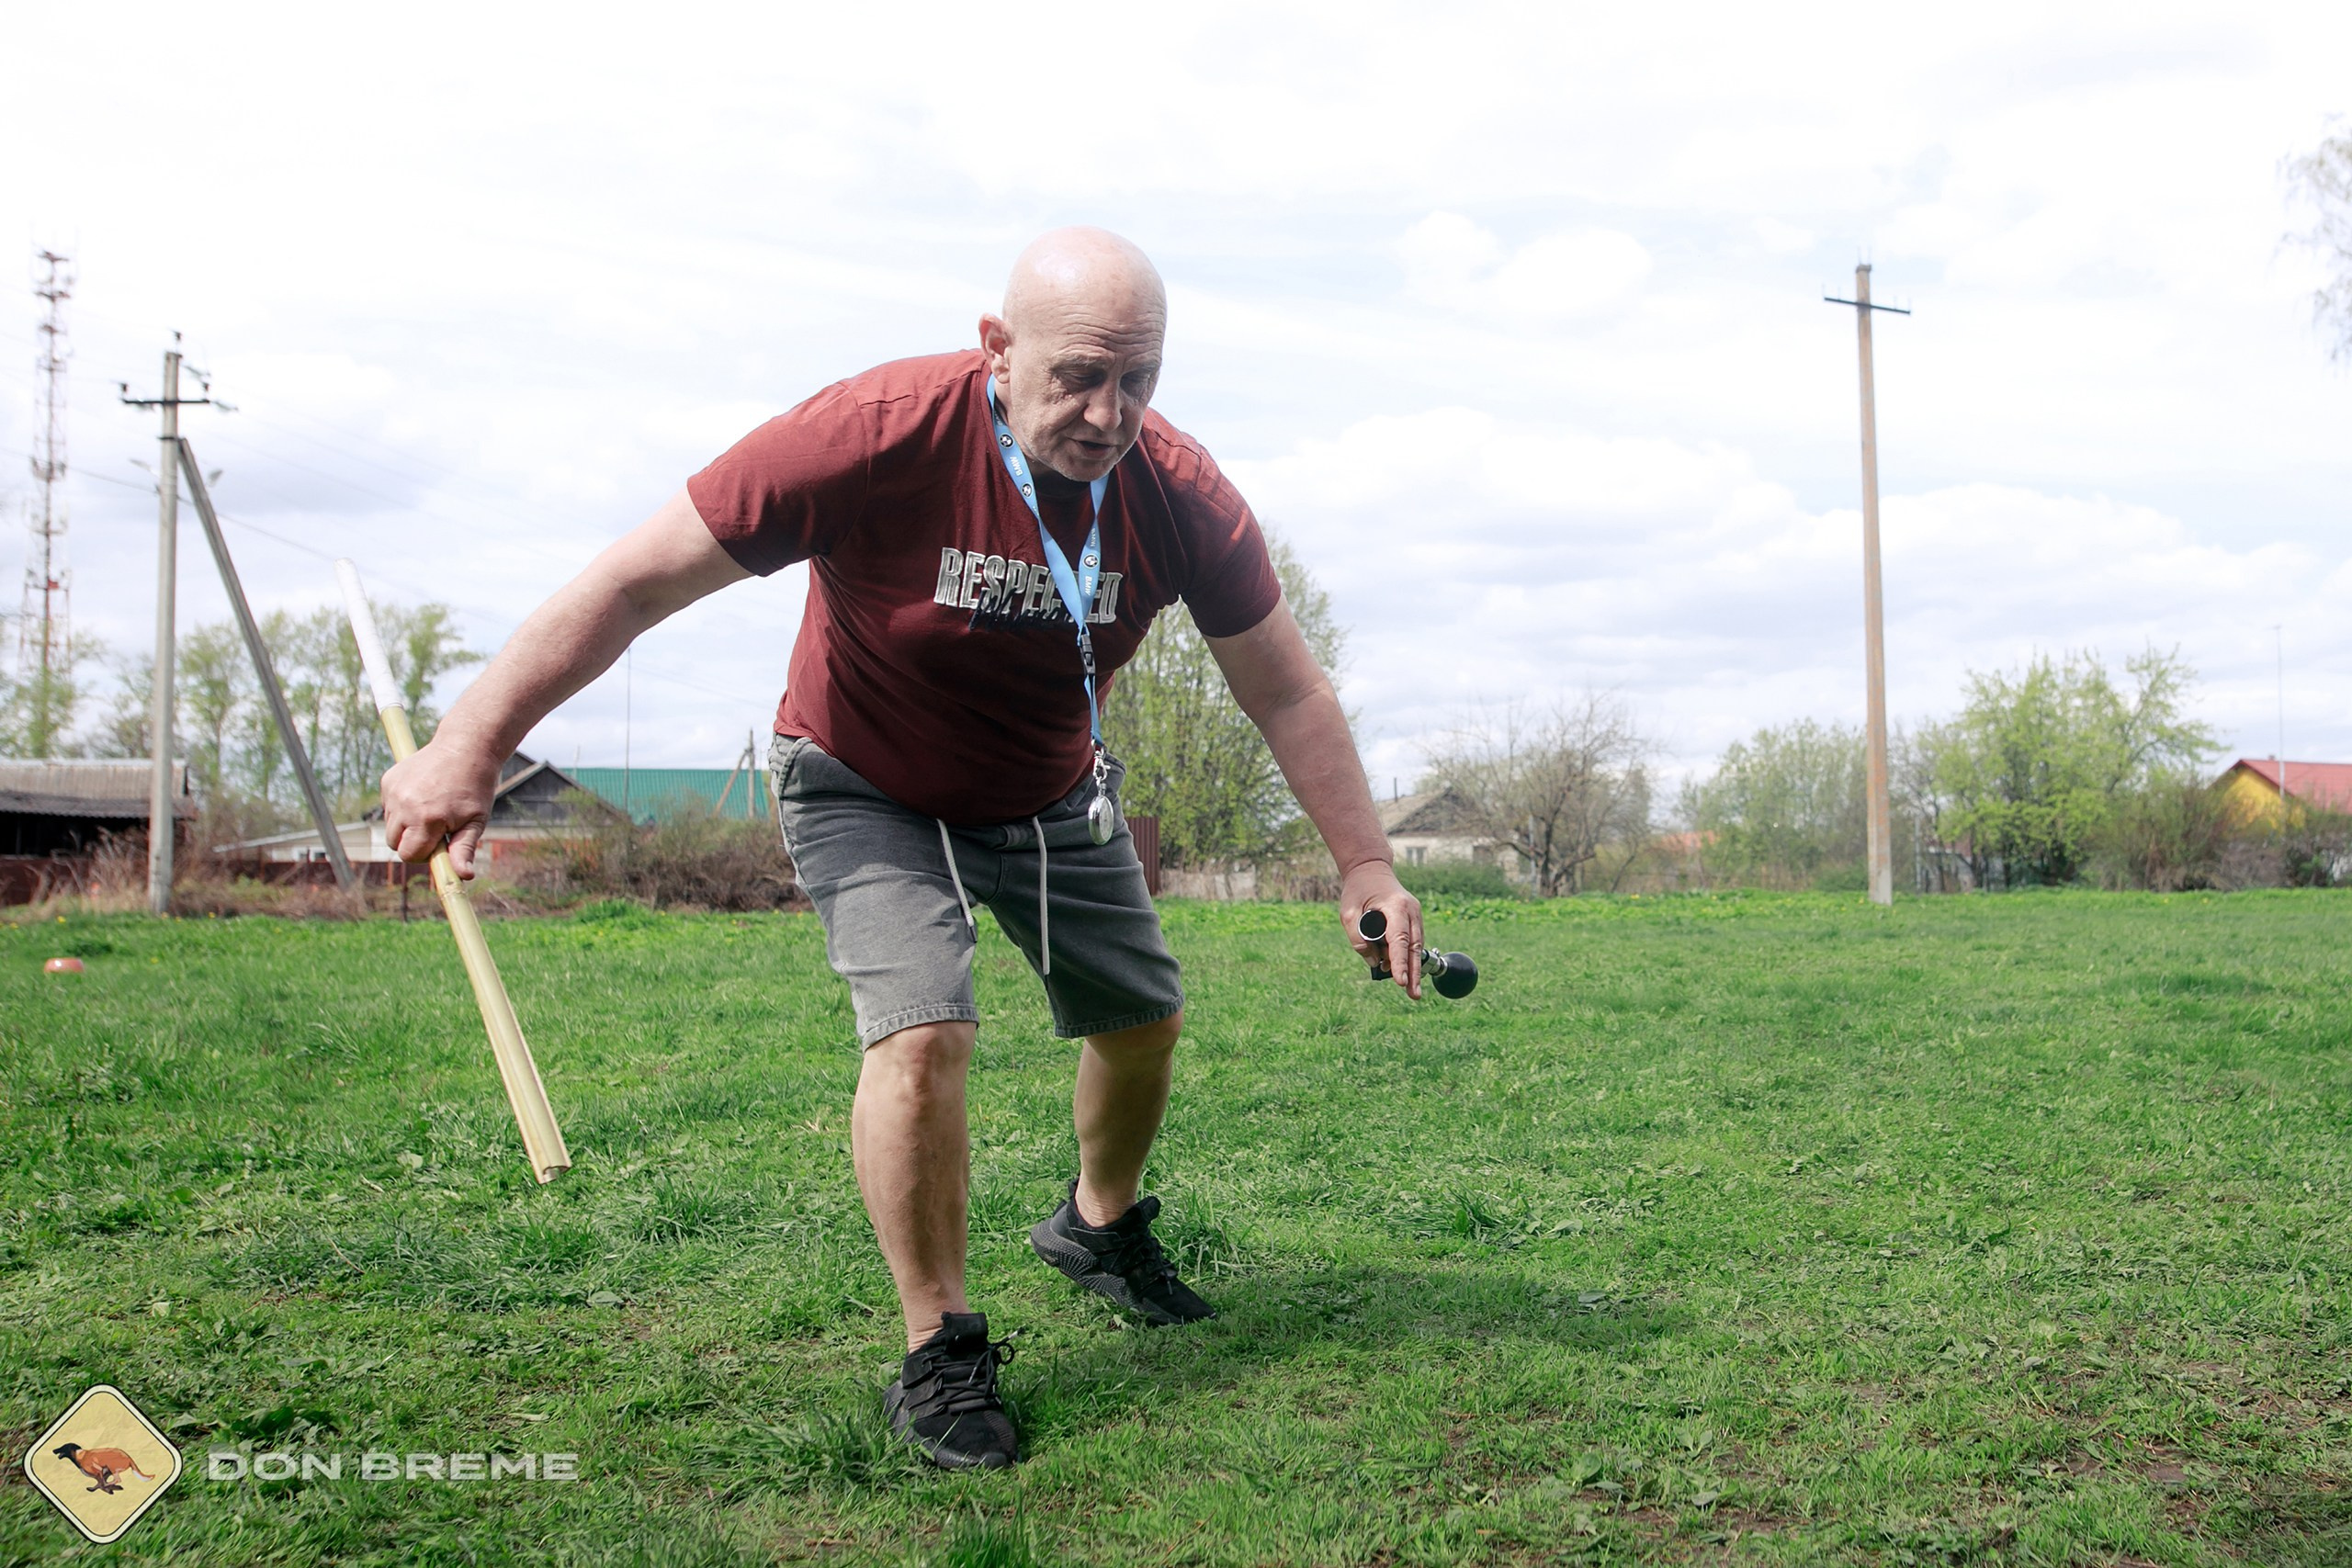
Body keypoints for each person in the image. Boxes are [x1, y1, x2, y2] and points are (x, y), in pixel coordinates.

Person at [379, 227, 1426, 1470]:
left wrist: (1365, 863)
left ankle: (1097, 1226)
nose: (1108, 415)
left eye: (1137, 380)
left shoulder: (1178, 493)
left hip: (1047, 792)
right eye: (1078, 377)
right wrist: (469, 744)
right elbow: (635, 583)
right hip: (865, 780)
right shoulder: (870, 434)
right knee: (924, 1033)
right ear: (997, 350)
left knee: (1143, 1020)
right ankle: (941, 1345)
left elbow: (1287, 689)